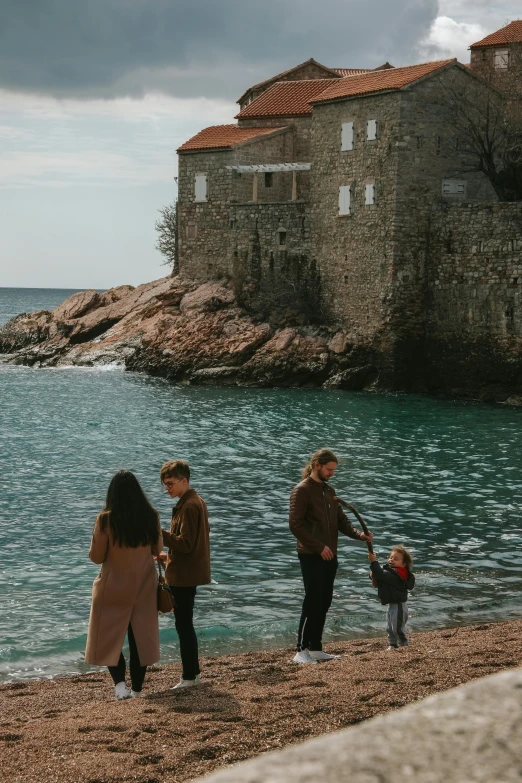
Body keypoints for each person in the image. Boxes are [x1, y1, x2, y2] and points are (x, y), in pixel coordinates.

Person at [289, 448, 373, 664]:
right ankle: (301, 650)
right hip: (311, 554)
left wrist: (359, 535)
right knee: (312, 600)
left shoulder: (329, 491)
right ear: (316, 465)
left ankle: (315, 647)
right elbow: (295, 525)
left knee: (325, 600)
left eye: (333, 470)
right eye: (329, 469)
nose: (332, 473)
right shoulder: (301, 490)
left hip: (330, 555)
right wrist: (318, 547)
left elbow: (342, 521)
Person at [85, 470, 162, 700]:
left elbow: (97, 557)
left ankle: (120, 686)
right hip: (143, 587)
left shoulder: (105, 519)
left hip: (113, 587)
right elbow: (157, 551)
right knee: (140, 638)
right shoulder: (151, 516)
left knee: (108, 637)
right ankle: (138, 690)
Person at [159, 459, 210, 689]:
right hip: (188, 572)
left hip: (184, 577)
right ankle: (193, 674)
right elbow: (191, 545)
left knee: (184, 626)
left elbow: (186, 544)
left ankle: (189, 676)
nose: (166, 488)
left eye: (170, 483)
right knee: (185, 625)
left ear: (184, 481)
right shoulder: (194, 501)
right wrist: (165, 556)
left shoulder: (189, 505)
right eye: (164, 484)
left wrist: (159, 533)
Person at [368, 545, 415, 650]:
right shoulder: (392, 572)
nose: (392, 560)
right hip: (392, 605)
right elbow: (381, 576)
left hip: (399, 606)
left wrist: (373, 562)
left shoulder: (398, 574)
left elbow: (382, 575)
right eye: (390, 557)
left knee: (397, 628)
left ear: (404, 564)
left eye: (396, 559)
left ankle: (404, 644)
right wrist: (373, 574)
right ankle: (392, 644)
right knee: (390, 627)